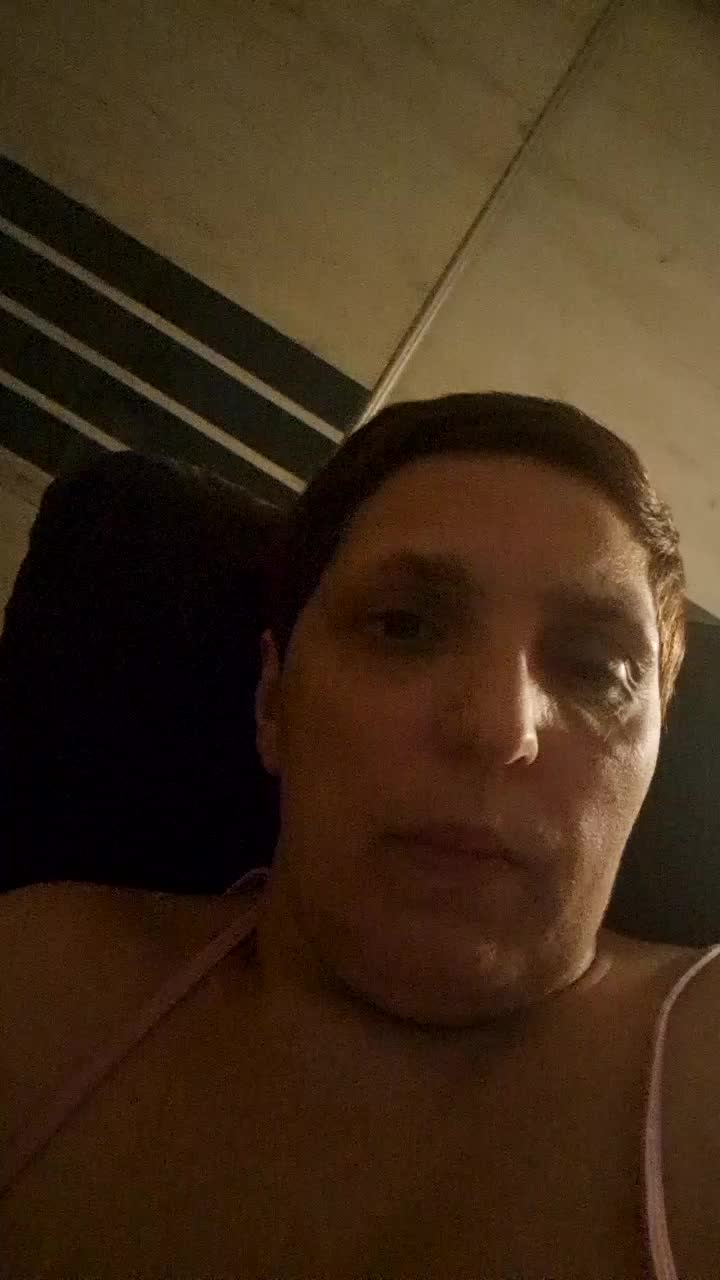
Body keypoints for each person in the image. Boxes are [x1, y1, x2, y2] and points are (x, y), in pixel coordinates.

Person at [2, 392, 719, 1278]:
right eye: (404, 626)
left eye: (596, 670)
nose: (499, 728)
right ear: (274, 702)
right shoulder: (39, 988)